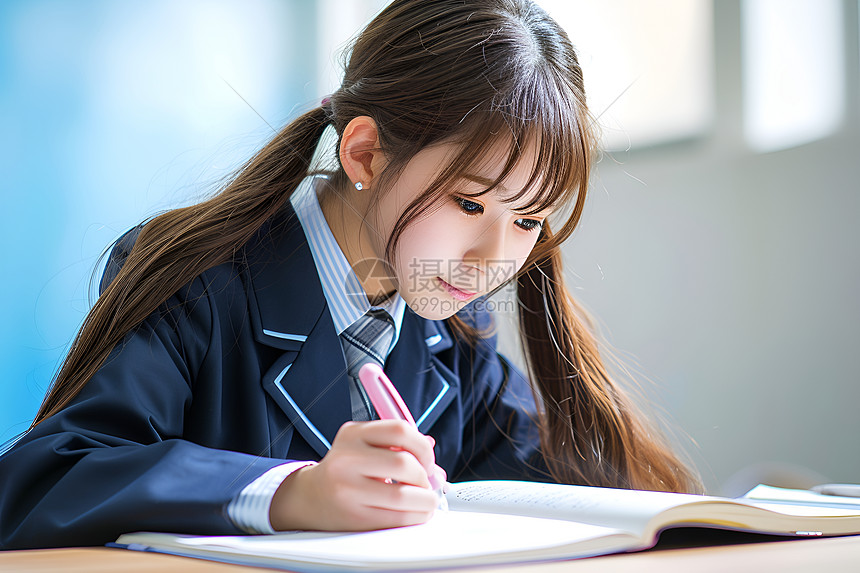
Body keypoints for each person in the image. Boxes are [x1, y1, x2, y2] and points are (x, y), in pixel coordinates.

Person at [0, 0, 700, 549]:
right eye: (469, 201)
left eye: (527, 221)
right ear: (364, 154)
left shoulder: (453, 327)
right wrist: (291, 493)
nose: (495, 258)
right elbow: (41, 481)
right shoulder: (197, 279)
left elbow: (543, 487)